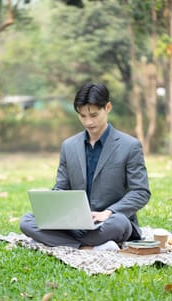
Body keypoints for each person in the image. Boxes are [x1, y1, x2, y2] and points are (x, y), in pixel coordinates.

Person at [20, 82, 151, 250]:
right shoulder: (69, 146)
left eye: (94, 115)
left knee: (120, 223)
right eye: (82, 116)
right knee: (27, 221)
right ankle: (87, 247)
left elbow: (141, 192)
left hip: (108, 221)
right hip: (73, 222)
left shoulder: (130, 146)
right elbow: (61, 187)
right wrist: (55, 209)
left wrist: (108, 212)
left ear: (108, 107)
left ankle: (60, 241)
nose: (88, 122)